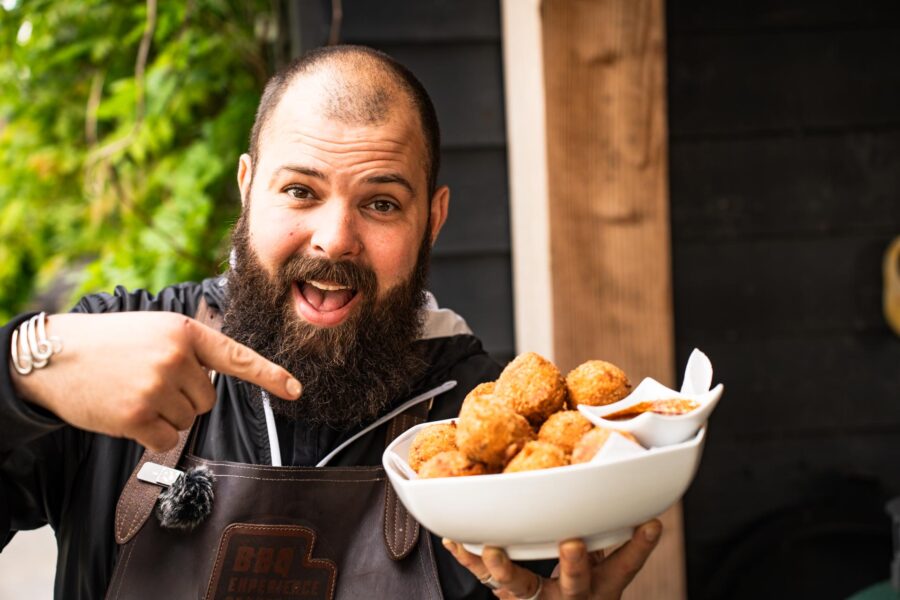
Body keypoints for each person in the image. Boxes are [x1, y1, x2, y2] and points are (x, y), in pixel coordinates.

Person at [0, 45, 661, 599]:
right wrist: (19, 371)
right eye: (301, 191)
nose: (334, 239)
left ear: (432, 219)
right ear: (248, 185)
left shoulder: (488, 431)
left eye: (380, 203)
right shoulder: (116, 349)